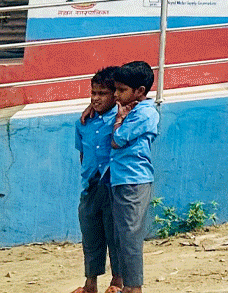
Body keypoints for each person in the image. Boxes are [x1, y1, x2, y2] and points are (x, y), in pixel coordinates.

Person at [106, 61, 159, 293]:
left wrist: (119, 120)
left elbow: (117, 140)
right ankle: (126, 284)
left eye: (121, 90)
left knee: (130, 236)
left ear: (139, 91)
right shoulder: (131, 110)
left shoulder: (145, 113)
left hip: (134, 180)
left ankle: (134, 287)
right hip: (120, 178)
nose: (116, 95)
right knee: (120, 236)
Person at [72, 67, 121, 293]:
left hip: (113, 184)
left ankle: (117, 281)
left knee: (115, 234)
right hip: (90, 185)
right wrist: (87, 178)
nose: (96, 98)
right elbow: (83, 154)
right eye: (93, 93)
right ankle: (90, 283)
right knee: (90, 234)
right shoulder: (83, 122)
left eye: (102, 93)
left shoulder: (122, 118)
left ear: (115, 95)